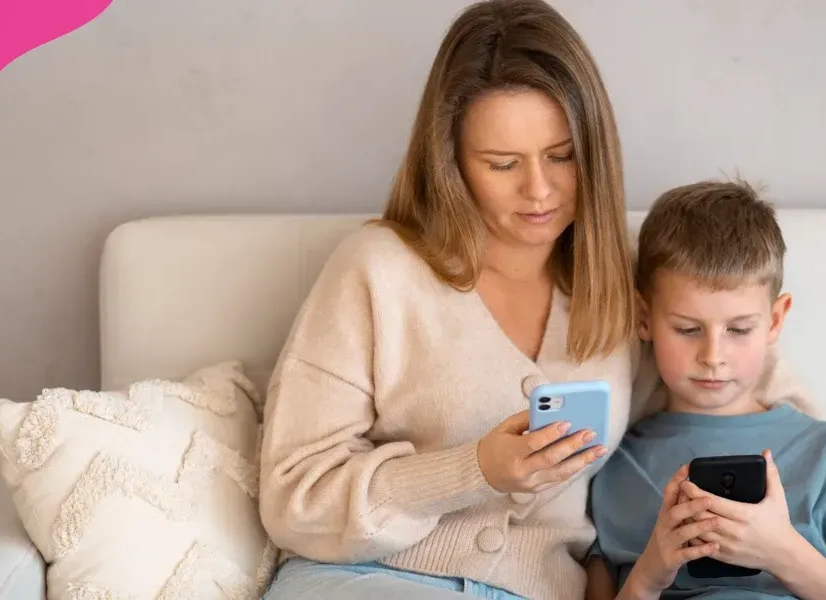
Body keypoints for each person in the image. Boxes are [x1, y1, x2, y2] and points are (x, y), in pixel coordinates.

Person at [257, 1, 638, 599]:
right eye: (502, 163)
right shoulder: (378, 270)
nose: (539, 189)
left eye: (562, 156)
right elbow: (294, 499)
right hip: (365, 579)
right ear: (451, 163)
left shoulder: (624, 286)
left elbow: (741, 385)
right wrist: (472, 472)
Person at [584, 181, 826, 600]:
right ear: (644, 318)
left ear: (775, 320)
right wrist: (649, 575)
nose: (713, 356)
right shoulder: (608, 464)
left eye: (739, 329)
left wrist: (783, 554)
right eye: (687, 329)